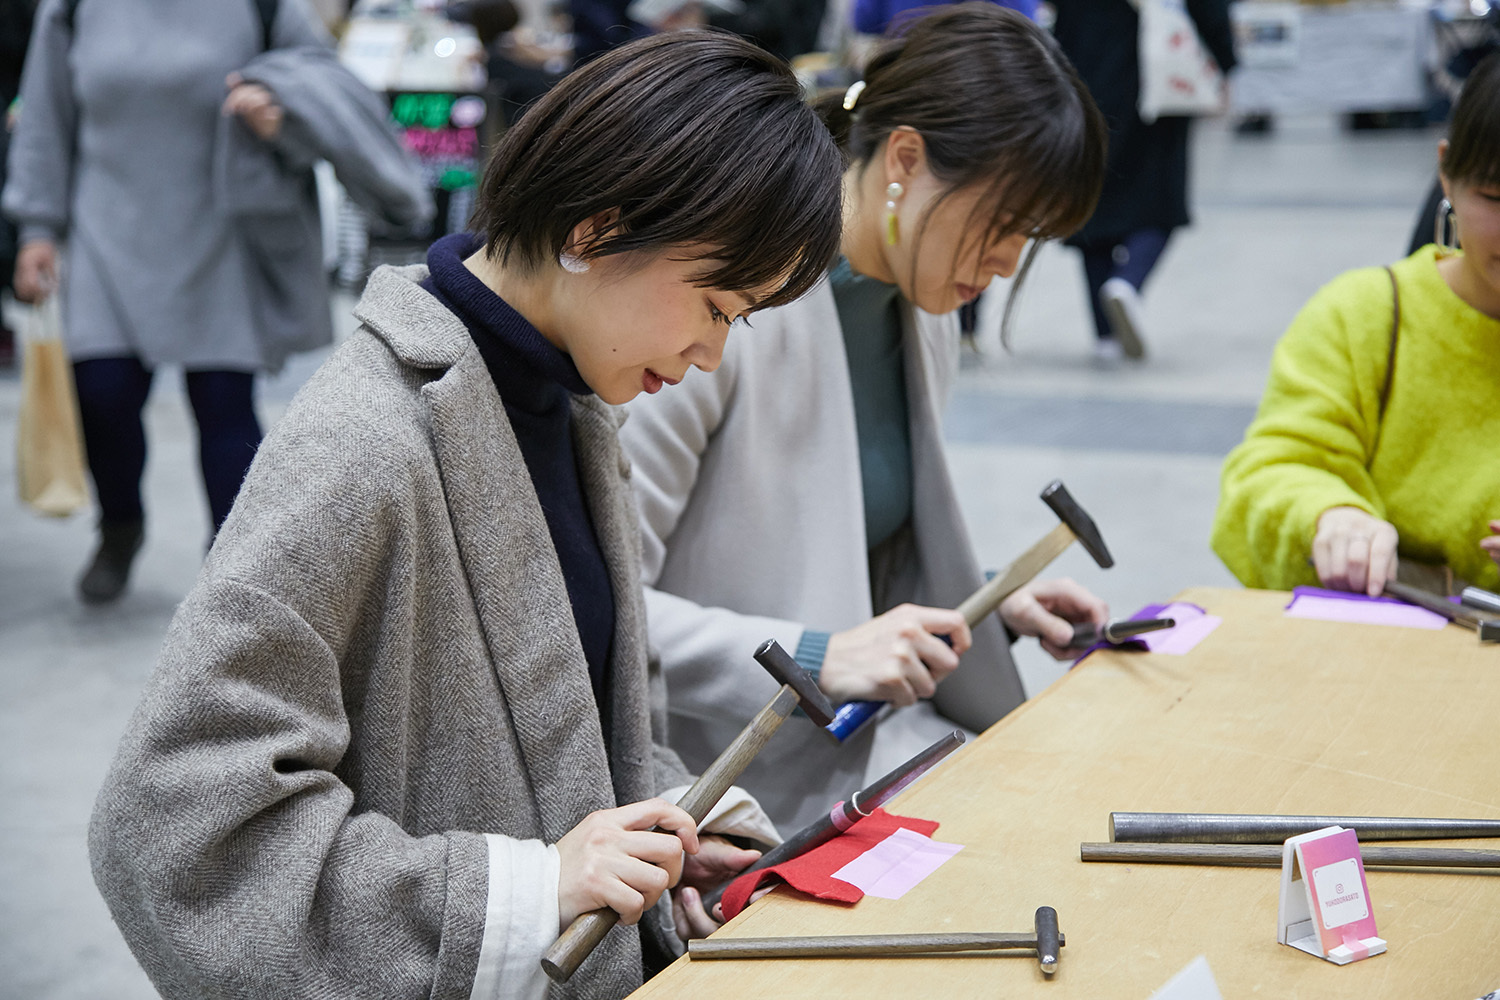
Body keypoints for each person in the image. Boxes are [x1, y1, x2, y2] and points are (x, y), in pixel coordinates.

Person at [87, 31, 844, 1000]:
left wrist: (673, 825)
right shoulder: (367, 435)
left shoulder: (569, 407)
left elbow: (568, 736)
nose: (712, 354)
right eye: (716, 303)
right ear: (595, 231)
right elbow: (168, 828)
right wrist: (525, 893)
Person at [619, 4, 1111, 835]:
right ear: (906, 160)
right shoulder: (722, 307)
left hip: (854, 755)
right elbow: (600, 606)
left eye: (1033, 237)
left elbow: (849, 550)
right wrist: (815, 660)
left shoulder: (921, 311)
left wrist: (984, 600)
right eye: (1003, 224)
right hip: (710, 792)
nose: (1008, 262)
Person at [4, 0, 427, 603]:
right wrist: (38, 227)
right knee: (102, 392)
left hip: (221, 227)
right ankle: (120, 524)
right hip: (104, 226)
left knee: (224, 403)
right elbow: (45, 115)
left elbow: (328, 91)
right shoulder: (70, 8)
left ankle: (235, 573)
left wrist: (280, 119)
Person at [1212, 52, 1500, 598]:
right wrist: (1331, 515)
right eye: (1494, 198)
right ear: (1447, 173)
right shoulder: (1364, 315)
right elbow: (1266, 474)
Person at [1050, 0, 1236, 361]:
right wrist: (1225, 61)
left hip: (1083, 68)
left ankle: (1105, 336)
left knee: (1093, 200)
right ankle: (1128, 281)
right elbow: (1209, 8)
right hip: (1155, 78)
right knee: (1160, 198)